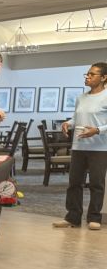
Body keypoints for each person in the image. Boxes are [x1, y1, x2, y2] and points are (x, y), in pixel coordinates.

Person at [54, 62, 107, 230]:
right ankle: (73, 217)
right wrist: (68, 123)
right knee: (74, 183)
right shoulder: (81, 98)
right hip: (78, 146)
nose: (88, 77)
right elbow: (76, 118)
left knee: (96, 184)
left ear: (104, 77)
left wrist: (97, 130)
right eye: (87, 74)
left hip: (99, 148)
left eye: (92, 74)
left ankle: (94, 218)